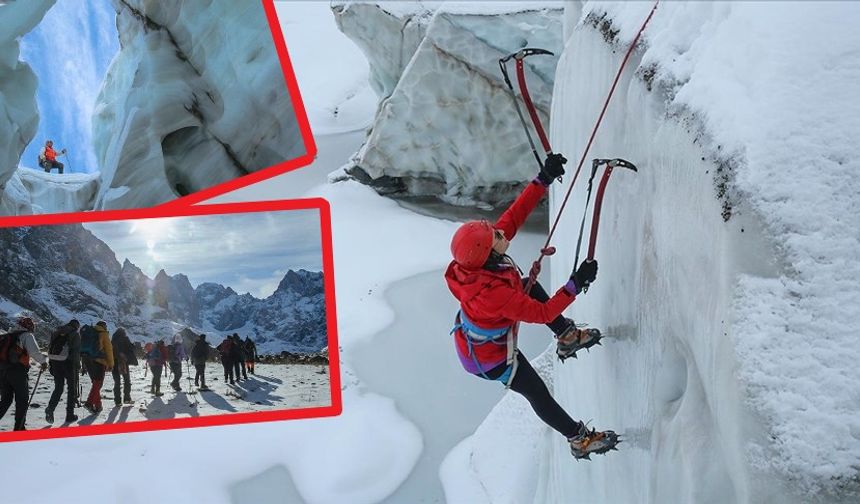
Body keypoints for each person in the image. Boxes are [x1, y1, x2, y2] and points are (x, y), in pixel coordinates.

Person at [444, 153, 618, 460]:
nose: (501, 232)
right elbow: (542, 313)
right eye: (495, 235)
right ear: (486, 251)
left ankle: (566, 337)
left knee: (527, 283)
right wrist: (574, 285)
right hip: (490, 360)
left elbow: (513, 216)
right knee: (536, 392)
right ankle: (579, 439)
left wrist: (543, 179)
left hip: (480, 338)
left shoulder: (482, 258)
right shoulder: (491, 293)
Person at [0, 317, 47, 430]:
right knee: (22, 400)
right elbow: (34, 352)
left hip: (3, 371)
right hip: (17, 372)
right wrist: (43, 362)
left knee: (6, 399)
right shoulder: (26, 335)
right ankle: (19, 428)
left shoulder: (8, 336)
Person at [45, 319, 81, 424]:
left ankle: (50, 408)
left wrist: (51, 364)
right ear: (76, 326)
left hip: (56, 362)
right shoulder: (75, 334)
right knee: (71, 390)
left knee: (58, 388)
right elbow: (76, 352)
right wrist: (78, 366)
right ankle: (69, 415)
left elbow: (50, 348)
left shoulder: (57, 332)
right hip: (68, 363)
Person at [82, 321, 114, 414]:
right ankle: (89, 402)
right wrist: (111, 364)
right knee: (98, 384)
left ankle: (98, 405)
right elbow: (109, 350)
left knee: (95, 384)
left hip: (87, 361)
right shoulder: (103, 334)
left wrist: (83, 364)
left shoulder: (88, 332)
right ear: (103, 326)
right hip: (99, 361)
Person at [111, 327, 137, 406]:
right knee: (126, 381)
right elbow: (130, 348)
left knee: (117, 382)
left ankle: (117, 401)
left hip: (114, 362)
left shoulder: (113, 340)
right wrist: (133, 346)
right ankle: (127, 399)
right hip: (123, 362)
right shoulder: (125, 338)